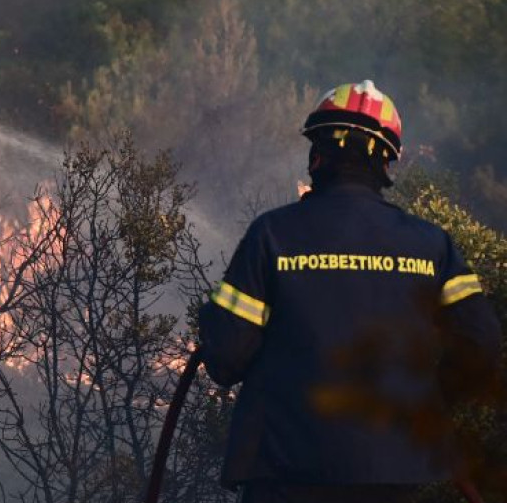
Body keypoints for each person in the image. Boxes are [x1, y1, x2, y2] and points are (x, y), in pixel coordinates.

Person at [199, 80, 502, 503]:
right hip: (393, 472)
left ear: (319, 154)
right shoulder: (432, 245)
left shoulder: (273, 235)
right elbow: (482, 344)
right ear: (386, 162)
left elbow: (226, 358)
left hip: (284, 473)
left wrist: (212, 319)